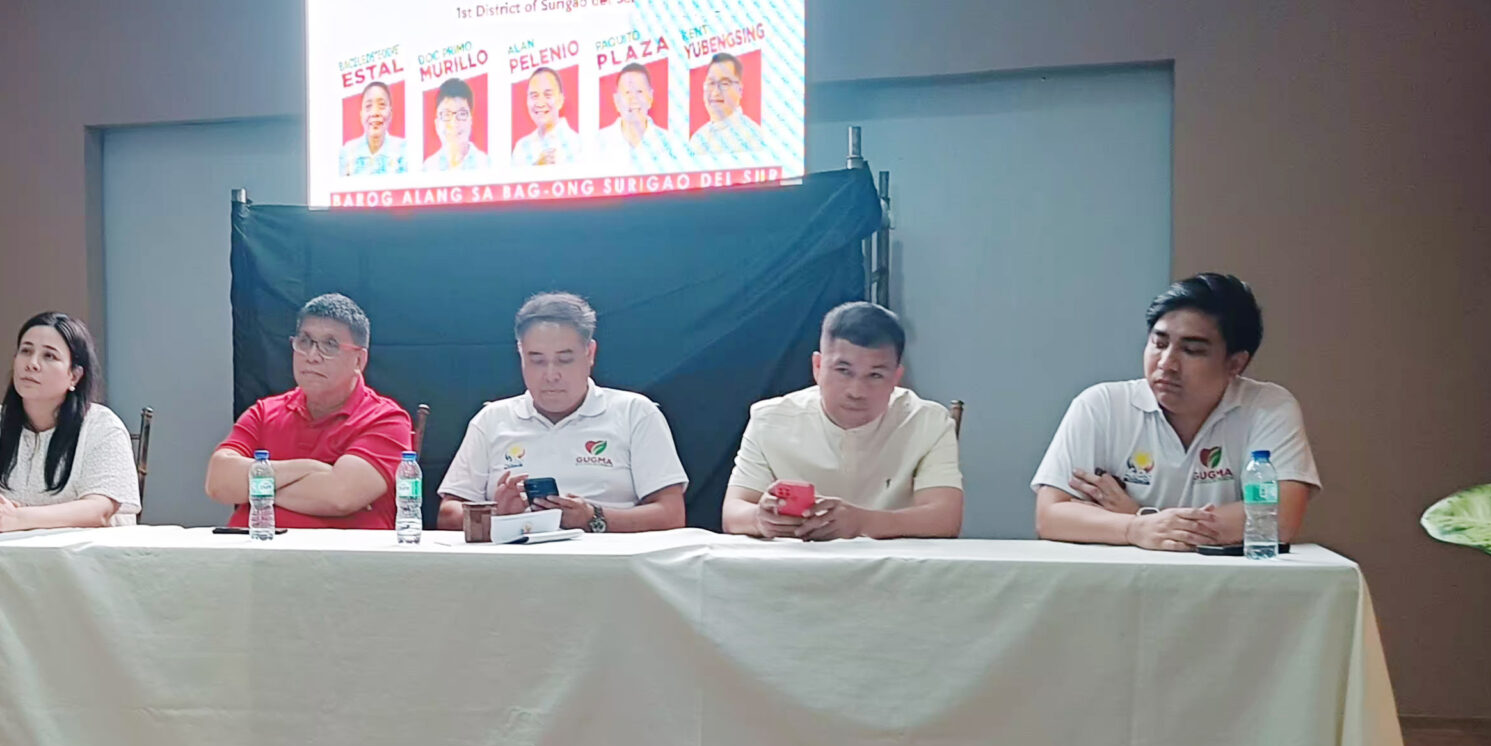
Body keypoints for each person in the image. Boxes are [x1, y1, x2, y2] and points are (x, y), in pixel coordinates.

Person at [1032, 273, 1318, 551]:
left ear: (1235, 364)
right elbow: (1051, 515)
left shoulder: (1268, 406)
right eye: (1159, 343)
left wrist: (1142, 516)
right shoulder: (1101, 405)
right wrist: (1136, 529)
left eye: (1191, 350)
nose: (1166, 364)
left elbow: (1279, 518)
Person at [439, 292, 686, 533]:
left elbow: (671, 514)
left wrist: (594, 517)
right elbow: (448, 514)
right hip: (514, 565)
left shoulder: (634, 413)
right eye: (536, 360)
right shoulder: (493, 419)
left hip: (606, 566)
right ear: (520, 353)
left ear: (590, 353)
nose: (550, 375)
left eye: (564, 360)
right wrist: (498, 516)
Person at [722, 302, 963, 540]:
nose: (856, 391)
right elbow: (733, 512)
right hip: (795, 568)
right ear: (817, 367)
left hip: (896, 571)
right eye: (843, 371)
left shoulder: (927, 421)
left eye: (876, 375)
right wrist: (760, 518)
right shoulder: (770, 420)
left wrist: (862, 522)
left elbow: (945, 518)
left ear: (896, 379)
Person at [204, 292, 412, 530]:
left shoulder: (385, 419)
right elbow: (218, 482)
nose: (312, 356)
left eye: (330, 345)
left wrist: (253, 487)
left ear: (359, 360)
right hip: (253, 555)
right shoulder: (264, 412)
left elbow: (340, 496)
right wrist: (309, 468)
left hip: (342, 563)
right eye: (305, 341)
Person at [0, 312, 140, 531]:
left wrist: (16, 519)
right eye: (26, 351)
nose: (32, 364)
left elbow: (99, 510)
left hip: (85, 560)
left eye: (49, 356)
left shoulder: (103, 427)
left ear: (74, 376)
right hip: (0, 556)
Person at [594, 62, 690, 171]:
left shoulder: (671, 143)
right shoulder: (597, 143)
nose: (633, 98)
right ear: (616, 101)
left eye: (639, 92)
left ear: (650, 98)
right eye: (627, 92)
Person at [685, 54, 774, 164]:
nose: (715, 92)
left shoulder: (754, 137)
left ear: (740, 90)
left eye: (724, 83)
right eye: (711, 83)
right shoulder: (697, 139)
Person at [510, 67, 581, 168]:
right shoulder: (521, 148)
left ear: (560, 100)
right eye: (534, 96)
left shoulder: (577, 144)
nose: (540, 103)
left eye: (547, 95)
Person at [337, 81, 410, 177]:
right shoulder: (347, 152)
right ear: (361, 115)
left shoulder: (404, 150)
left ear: (391, 113)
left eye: (381, 105)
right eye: (368, 106)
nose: (375, 112)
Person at [426, 77, 487, 172]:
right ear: (437, 124)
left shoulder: (486, 165)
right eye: (446, 114)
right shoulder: (427, 169)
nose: (454, 123)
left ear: (471, 120)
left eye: (462, 114)